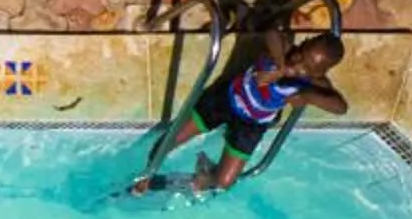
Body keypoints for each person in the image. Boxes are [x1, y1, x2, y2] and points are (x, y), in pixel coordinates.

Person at [134, 30, 348, 196]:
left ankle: (203, 177)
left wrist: (307, 95)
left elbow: (341, 107)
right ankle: (146, 173)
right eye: (301, 55)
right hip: (225, 99)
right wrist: (281, 68)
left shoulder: (312, 83)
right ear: (302, 43)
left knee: (224, 183)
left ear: (320, 74)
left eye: (308, 69)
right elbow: (271, 33)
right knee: (172, 138)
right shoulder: (283, 50)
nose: (298, 65)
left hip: (251, 124)